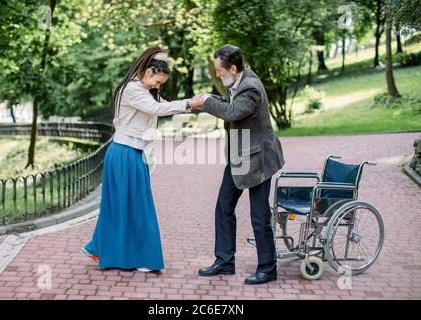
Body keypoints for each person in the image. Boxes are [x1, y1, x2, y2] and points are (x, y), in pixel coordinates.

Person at [83, 46, 191, 272]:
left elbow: (163, 105)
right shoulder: (133, 89)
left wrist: (192, 104)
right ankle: (139, 257)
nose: (158, 86)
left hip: (131, 153)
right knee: (132, 207)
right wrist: (190, 103)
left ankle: (105, 249)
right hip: (124, 153)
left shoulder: (143, 90)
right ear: (149, 70)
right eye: (158, 81)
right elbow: (155, 108)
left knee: (129, 206)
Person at [189, 44, 285, 284]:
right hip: (240, 157)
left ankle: (267, 269)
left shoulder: (250, 87)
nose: (218, 74)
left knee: (259, 215)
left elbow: (233, 112)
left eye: (220, 70)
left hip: (259, 159)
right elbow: (230, 102)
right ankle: (224, 262)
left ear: (232, 67)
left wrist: (206, 103)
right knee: (224, 207)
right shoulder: (238, 81)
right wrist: (209, 98)